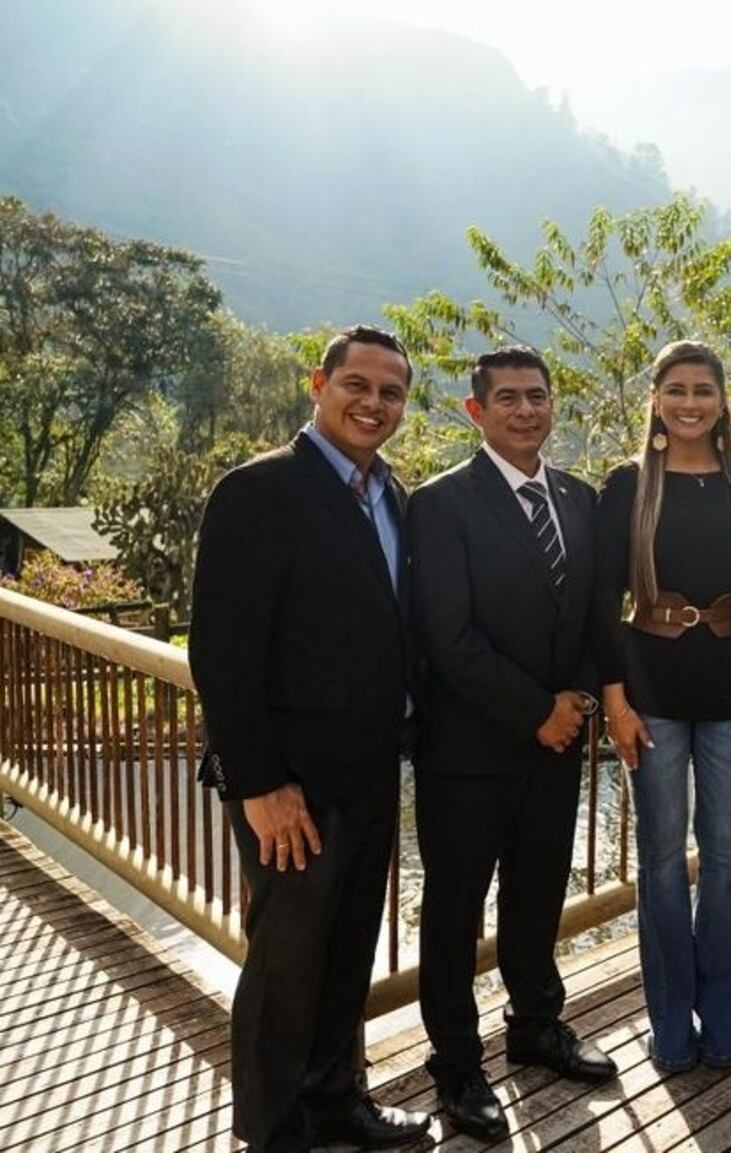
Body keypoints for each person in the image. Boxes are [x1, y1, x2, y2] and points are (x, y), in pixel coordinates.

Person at [189, 325, 430, 1152]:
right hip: (290, 784)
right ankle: (272, 1134)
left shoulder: (392, 493)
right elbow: (222, 653)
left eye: (391, 392)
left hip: (369, 774)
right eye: (357, 385)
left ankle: (338, 1102)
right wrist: (260, 784)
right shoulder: (259, 490)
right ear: (318, 384)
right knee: (284, 967)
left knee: (346, 952)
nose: (374, 403)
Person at [408, 345, 618, 1140]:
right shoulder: (441, 503)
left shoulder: (579, 496)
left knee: (538, 893)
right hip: (467, 750)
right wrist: (536, 708)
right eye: (508, 399)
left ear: (553, 402)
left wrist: (582, 699)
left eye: (537, 395)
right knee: (456, 908)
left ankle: (535, 1026)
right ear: (476, 410)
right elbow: (447, 636)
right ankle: (457, 1065)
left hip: (557, 745)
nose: (526, 410)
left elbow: (593, 614)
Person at [594, 339, 731, 1072]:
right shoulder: (627, 485)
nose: (690, 402)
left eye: (704, 389)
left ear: (724, 400)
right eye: (676, 389)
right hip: (654, 695)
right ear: (655, 399)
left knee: (728, 859)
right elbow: (601, 602)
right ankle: (670, 1022)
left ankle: (725, 1021)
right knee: (664, 861)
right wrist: (614, 696)